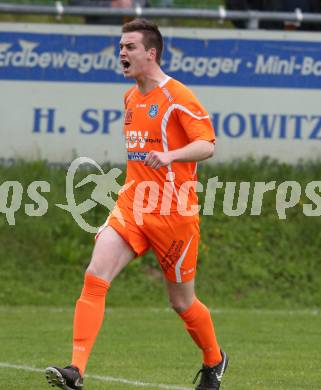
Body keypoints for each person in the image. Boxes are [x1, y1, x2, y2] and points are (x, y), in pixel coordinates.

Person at [45, 18, 228, 390]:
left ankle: (214, 360)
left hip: (174, 213)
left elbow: (207, 144)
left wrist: (172, 155)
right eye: (120, 47)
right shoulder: (130, 97)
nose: (122, 53)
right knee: (95, 276)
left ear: (151, 53)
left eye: (129, 47)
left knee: (182, 303)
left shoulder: (178, 96)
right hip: (133, 206)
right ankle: (75, 370)